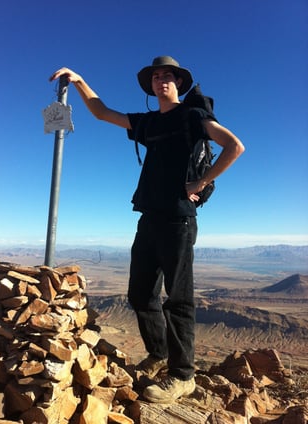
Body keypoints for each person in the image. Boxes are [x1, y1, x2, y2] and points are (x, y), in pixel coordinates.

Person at [50, 56, 245, 403]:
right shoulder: (148, 122)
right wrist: (79, 80)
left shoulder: (194, 116)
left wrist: (202, 179)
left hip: (179, 219)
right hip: (149, 218)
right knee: (140, 295)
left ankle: (183, 375)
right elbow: (101, 112)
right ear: (150, 86)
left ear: (179, 83)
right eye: (156, 77)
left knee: (179, 300)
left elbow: (234, 146)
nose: (161, 81)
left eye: (168, 76)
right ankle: (158, 355)